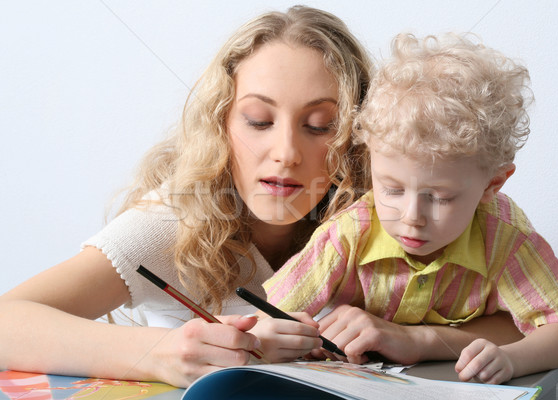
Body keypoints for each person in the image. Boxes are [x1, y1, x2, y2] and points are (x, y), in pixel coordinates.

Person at [0, 5, 372, 388]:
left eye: (320, 126)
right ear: (220, 121)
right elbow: (5, 323)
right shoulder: (173, 222)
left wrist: (418, 338)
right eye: (259, 121)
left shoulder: (382, 216)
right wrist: (164, 352)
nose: (286, 152)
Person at [264, 32, 558, 384]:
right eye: (391, 189)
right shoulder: (348, 234)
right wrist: (287, 336)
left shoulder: (504, 240)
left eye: (439, 198)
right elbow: (271, 316)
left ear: (492, 185)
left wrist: (511, 359)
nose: (411, 217)